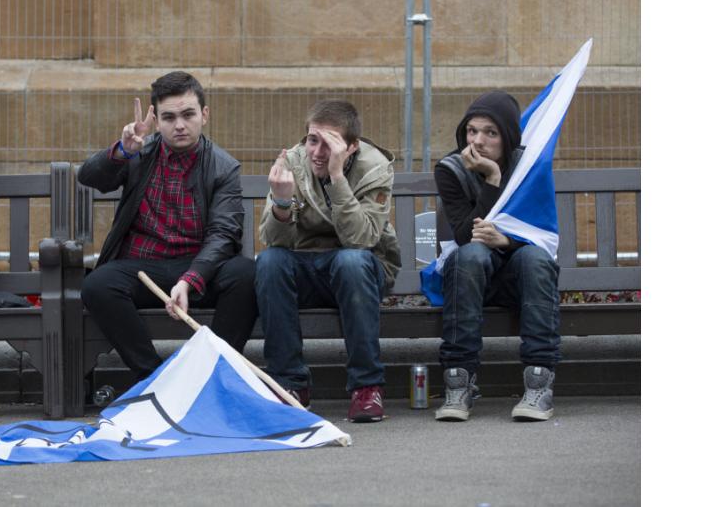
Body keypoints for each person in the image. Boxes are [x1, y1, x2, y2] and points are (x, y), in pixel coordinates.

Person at [78, 71, 258, 385]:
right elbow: (90, 177)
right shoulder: (138, 154)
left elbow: (224, 234)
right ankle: (154, 380)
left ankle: (212, 376)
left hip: (198, 269)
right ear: (157, 121)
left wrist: (190, 280)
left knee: (246, 275)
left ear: (204, 115)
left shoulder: (223, 166)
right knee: (98, 284)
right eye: (169, 117)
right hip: (143, 270)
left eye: (188, 115)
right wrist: (122, 150)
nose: (179, 125)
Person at [256, 100, 401, 422]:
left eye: (330, 144)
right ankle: (289, 384)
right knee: (269, 263)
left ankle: (367, 387)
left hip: (362, 270)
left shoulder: (375, 168)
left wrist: (337, 177)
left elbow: (361, 240)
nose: (318, 152)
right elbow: (274, 240)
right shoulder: (293, 161)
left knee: (350, 261)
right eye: (312, 140)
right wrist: (281, 201)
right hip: (307, 266)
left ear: (351, 147)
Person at [433, 90, 561, 422]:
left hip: (520, 278)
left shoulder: (529, 166)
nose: (478, 141)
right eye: (472, 131)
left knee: (535, 259)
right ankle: (458, 383)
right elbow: (464, 235)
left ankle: (539, 384)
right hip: (469, 278)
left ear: (508, 137)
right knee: (472, 255)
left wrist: (506, 240)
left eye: (490, 133)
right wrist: (491, 178)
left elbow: (542, 235)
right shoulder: (450, 168)